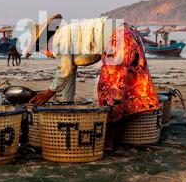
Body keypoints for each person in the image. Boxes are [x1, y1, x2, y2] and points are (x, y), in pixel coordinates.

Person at [26, 15, 159, 148]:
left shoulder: (60, 39)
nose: (46, 55)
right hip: (127, 34)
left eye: (42, 51)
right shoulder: (69, 35)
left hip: (119, 37)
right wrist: (66, 103)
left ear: (45, 44)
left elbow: (63, 71)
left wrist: (47, 94)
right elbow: (69, 74)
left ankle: (108, 143)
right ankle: (117, 137)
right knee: (127, 88)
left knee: (110, 93)